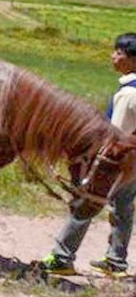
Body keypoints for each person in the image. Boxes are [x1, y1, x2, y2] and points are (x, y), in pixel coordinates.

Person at [41, 32, 136, 277]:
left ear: (132, 60)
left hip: (119, 163)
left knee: (86, 202)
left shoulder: (128, 93)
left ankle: (62, 257)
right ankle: (116, 262)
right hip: (133, 164)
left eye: (118, 52)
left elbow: (116, 135)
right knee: (123, 209)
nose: (113, 56)